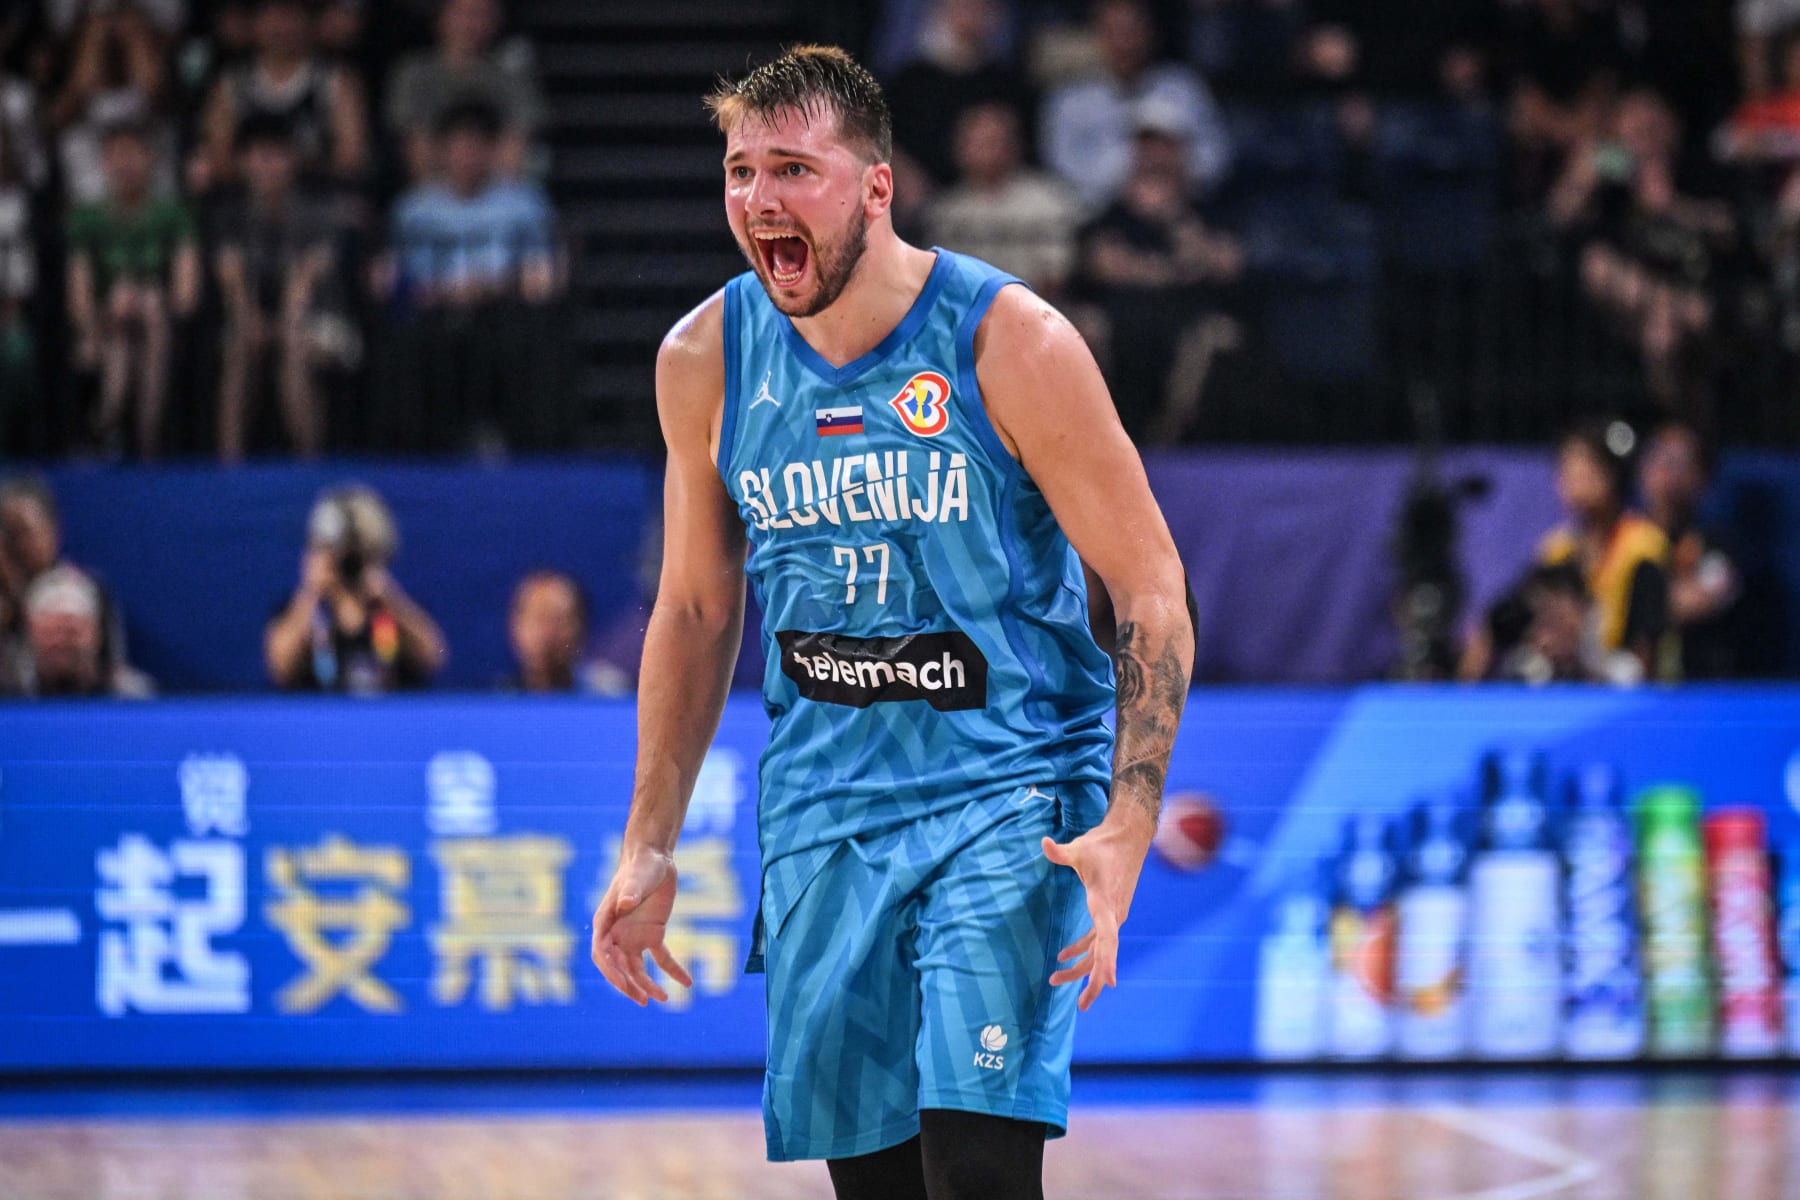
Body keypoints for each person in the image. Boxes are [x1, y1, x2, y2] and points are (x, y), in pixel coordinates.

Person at [588, 46, 1194, 1200]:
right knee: (876, 1185)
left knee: (974, 1165)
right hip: (825, 812)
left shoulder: (1011, 342)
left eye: (794, 171)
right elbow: (698, 608)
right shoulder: (703, 360)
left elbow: (1152, 585)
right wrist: (648, 841)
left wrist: (1129, 813)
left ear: (876, 187)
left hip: (1005, 788)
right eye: (739, 172)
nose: (761, 201)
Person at [212, 113, 349, 461]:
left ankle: (309, 461)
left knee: (294, 344)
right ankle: (230, 466)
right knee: (238, 341)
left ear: (293, 160)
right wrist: (249, 319)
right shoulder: (231, 215)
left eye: (277, 155)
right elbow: (232, 278)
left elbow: (307, 277)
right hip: (259, 320)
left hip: (324, 323)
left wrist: (286, 323)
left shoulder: (319, 211)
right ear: (243, 162)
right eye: (259, 156)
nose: (268, 166)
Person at [65, 119, 200, 458]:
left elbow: (186, 297)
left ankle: (120, 434)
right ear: (103, 162)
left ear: (150, 159)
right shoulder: (85, 219)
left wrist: (146, 302)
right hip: (106, 326)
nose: (125, 164)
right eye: (116, 155)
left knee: (148, 312)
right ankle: (130, 437)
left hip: (163, 325)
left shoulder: (174, 215)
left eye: (134, 154)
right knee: (121, 342)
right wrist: (105, 316)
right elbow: (78, 296)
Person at [1039, 0, 1230, 210]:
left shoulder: (1183, 87)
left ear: (1151, 34)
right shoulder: (1071, 99)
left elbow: (1216, 154)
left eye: (1132, 30)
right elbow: (1063, 166)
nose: (1125, 42)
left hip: (1182, 207)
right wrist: (1134, 161)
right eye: (1113, 31)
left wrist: (1178, 164)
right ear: (1097, 36)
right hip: (1102, 212)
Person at [264, 485, 447, 693]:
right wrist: (311, 591)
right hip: (320, 721)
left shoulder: (394, 609)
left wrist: (387, 595)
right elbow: (280, 669)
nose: (348, 563)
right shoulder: (304, 612)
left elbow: (433, 657)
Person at [1534, 422, 1668, 684]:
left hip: (1633, 689)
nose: (1574, 476)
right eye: (1567, 467)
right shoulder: (1556, 550)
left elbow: (1646, 654)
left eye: (1586, 465)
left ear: (1613, 474)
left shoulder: (1644, 545)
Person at [197, 0, 368, 190]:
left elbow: (352, 157)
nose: (280, 26)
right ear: (254, 23)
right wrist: (260, 170)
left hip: (317, 197)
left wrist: (290, 168)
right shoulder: (232, 83)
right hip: (244, 200)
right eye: (271, 15)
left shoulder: (335, 81)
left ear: (309, 21)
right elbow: (217, 155)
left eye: (289, 15)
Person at [924, 101, 1084, 296]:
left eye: (993, 142)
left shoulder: (1049, 201)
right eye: (975, 142)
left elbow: (1056, 275)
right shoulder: (945, 210)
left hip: (1036, 307)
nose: (986, 152)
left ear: (1015, 145)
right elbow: (940, 279)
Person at [385, 0, 544, 183]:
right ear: (441, 17)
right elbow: (413, 136)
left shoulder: (512, 71)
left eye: (481, 14)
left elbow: (520, 132)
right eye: (462, 13)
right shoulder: (415, 72)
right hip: (433, 184)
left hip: (496, 186)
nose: (470, 23)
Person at [1638, 420, 1740, 679]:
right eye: (1657, 455)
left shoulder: (1715, 547)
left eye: (1678, 461)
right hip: (1627, 694)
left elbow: (1698, 599)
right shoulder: (1625, 539)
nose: (1664, 469)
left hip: (1699, 691)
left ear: (1702, 477)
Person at [7, 564, 154, 700]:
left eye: (71, 632)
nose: (61, 642)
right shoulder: (11, 696)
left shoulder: (131, 699)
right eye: (51, 632)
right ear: (32, 633)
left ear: (96, 634)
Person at [505, 568, 621, 693]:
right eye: (539, 619)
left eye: (558, 620)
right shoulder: (498, 700)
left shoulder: (609, 695)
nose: (547, 634)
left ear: (582, 627)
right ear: (515, 626)